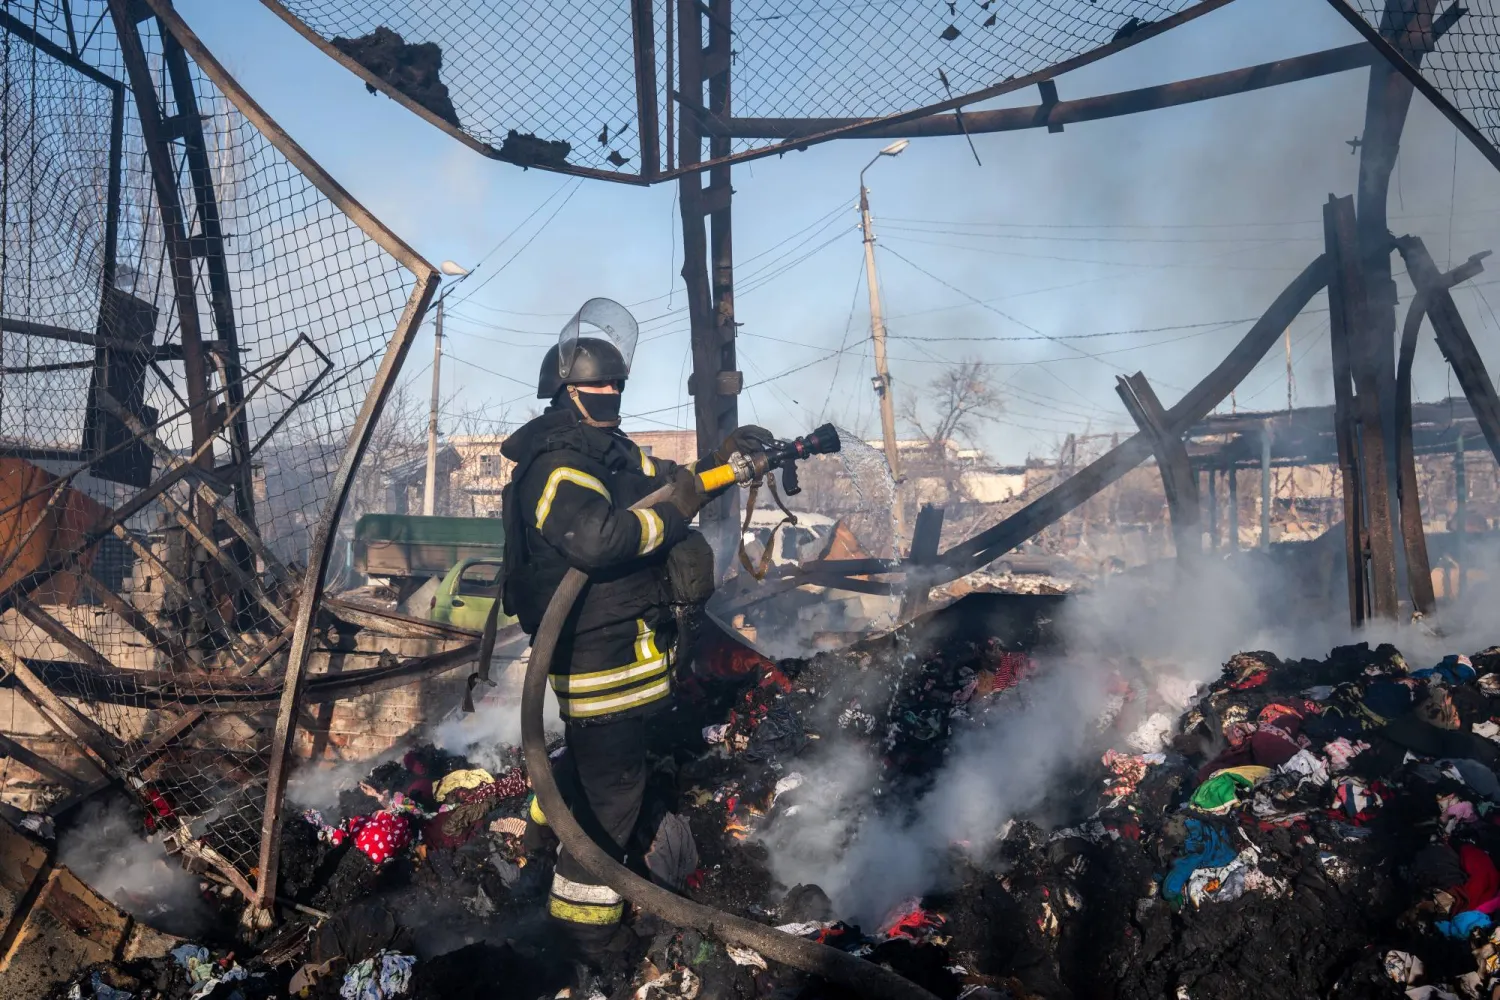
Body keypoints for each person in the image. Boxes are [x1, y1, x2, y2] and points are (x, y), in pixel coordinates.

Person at [499, 299, 769, 977]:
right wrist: (674, 516)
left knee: (592, 772)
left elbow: (674, 487)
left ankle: (537, 848)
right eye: (599, 384)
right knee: (608, 807)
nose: (611, 393)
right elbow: (600, 538)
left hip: (626, 651)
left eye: (617, 384)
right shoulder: (556, 464)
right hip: (598, 660)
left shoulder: (610, 453)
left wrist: (725, 464)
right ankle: (585, 943)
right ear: (566, 390)